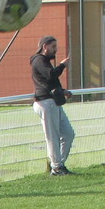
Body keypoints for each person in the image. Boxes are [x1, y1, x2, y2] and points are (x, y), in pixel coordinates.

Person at [30, 35, 75, 174]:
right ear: (45, 46)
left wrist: (62, 91)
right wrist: (62, 65)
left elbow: (50, 81)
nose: (56, 50)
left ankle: (58, 165)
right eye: (53, 47)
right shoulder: (38, 60)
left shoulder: (43, 61)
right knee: (53, 136)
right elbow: (51, 75)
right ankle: (57, 167)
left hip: (53, 102)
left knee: (68, 134)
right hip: (46, 102)